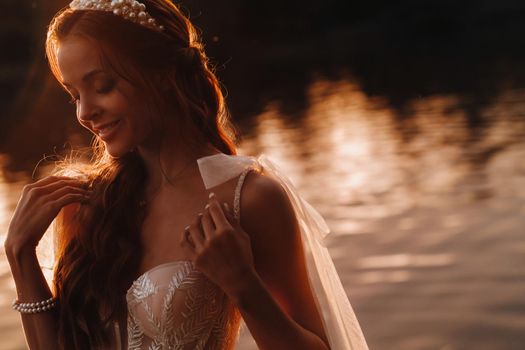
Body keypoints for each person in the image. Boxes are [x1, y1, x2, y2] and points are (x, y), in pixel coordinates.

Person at [4, 0, 369, 349]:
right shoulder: (81, 204)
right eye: (74, 95)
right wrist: (20, 257)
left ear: (162, 74)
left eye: (102, 86)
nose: (85, 113)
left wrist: (244, 286)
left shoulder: (248, 198)